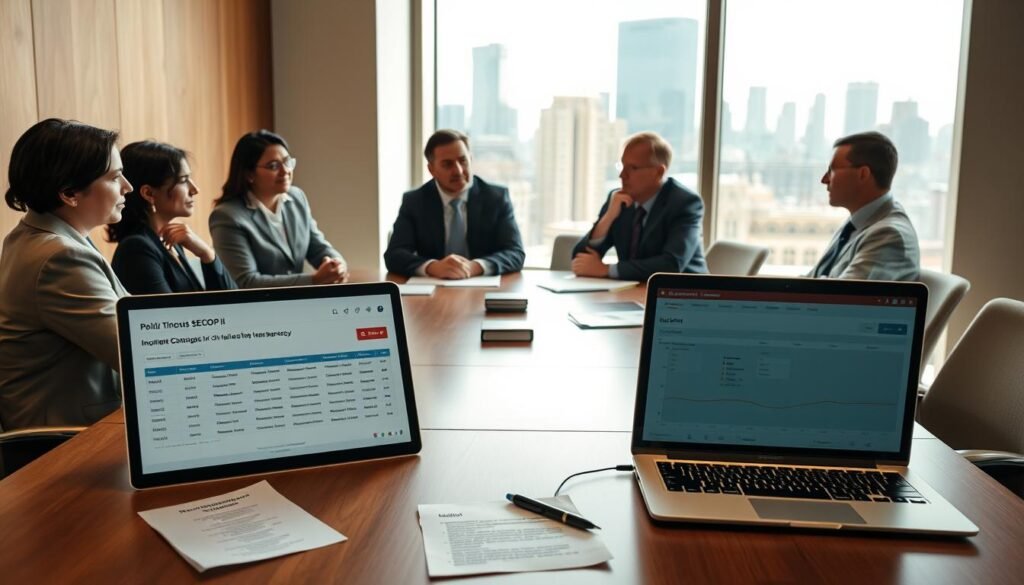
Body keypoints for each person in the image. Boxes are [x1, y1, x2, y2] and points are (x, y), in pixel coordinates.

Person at [0, 119, 131, 429]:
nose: (128, 186)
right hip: (64, 443)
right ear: (70, 193)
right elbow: (133, 349)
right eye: (115, 177)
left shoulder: (40, 236)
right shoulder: (60, 257)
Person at [209, 130, 347, 288]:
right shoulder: (227, 216)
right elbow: (246, 282)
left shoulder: (296, 198)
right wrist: (314, 280)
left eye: (287, 162)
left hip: (296, 303)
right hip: (256, 307)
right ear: (249, 174)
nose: (285, 171)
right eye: (273, 166)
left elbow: (318, 248)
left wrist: (336, 264)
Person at [384, 130, 525, 278]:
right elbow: (394, 255)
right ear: (431, 169)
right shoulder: (415, 201)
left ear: (471, 159)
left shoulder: (496, 198)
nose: (458, 170)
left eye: (463, 160)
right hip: (433, 290)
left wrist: (474, 267)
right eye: (447, 164)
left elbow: (515, 253)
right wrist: (433, 267)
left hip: (482, 288)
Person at [571, 131, 707, 281]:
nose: (622, 175)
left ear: (659, 172)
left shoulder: (685, 203)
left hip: (684, 295)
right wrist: (608, 217)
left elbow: (671, 265)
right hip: (630, 293)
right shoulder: (618, 200)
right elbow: (580, 259)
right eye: (622, 166)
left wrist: (606, 269)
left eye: (632, 168)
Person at [108, 141, 236, 294]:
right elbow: (169, 316)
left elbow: (230, 303)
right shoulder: (137, 249)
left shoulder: (169, 240)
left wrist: (207, 254)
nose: (195, 189)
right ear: (149, 193)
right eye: (183, 180)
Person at [811, 131, 919, 280]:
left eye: (832, 171)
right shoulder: (856, 224)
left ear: (863, 174)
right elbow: (811, 281)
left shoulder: (888, 235)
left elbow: (841, 298)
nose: (824, 179)